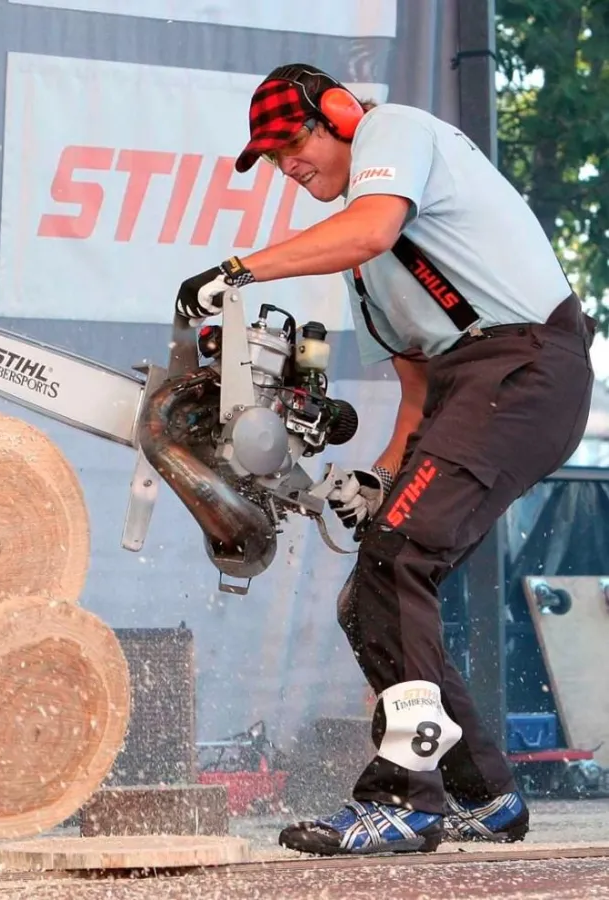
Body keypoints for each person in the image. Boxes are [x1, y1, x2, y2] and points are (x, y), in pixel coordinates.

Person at [175, 63, 596, 856]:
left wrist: (237, 271)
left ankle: (405, 798)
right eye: (270, 157)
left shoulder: (392, 133)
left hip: (526, 364)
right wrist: (377, 477)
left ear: (337, 111)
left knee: (393, 560)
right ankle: (485, 794)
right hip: (477, 384)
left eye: (290, 142)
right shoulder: (371, 272)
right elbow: (417, 394)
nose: (285, 165)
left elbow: (368, 226)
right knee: (370, 591)